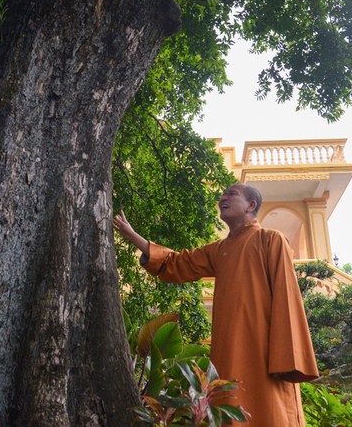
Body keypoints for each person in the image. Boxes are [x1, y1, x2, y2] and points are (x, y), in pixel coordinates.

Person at [113, 183, 318, 426]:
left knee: (272, 410)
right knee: (229, 406)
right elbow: (177, 263)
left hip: (264, 350)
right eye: (222, 195)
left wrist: (286, 356)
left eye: (231, 194)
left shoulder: (271, 240)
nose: (223, 198)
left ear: (251, 205)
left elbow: (287, 297)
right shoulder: (219, 250)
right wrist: (132, 236)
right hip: (228, 349)